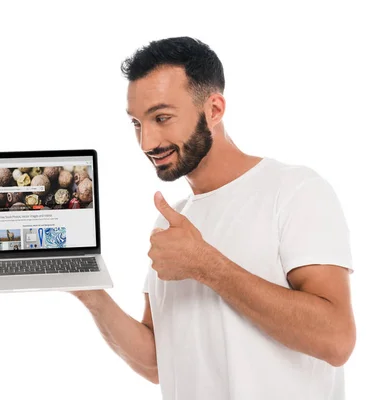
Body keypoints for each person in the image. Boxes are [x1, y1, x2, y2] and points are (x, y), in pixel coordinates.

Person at [70, 37, 355, 400]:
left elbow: (336, 339)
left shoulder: (295, 191)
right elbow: (159, 361)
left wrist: (206, 265)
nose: (146, 142)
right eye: (137, 124)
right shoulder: (170, 223)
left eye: (162, 118)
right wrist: (89, 293)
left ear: (214, 109)